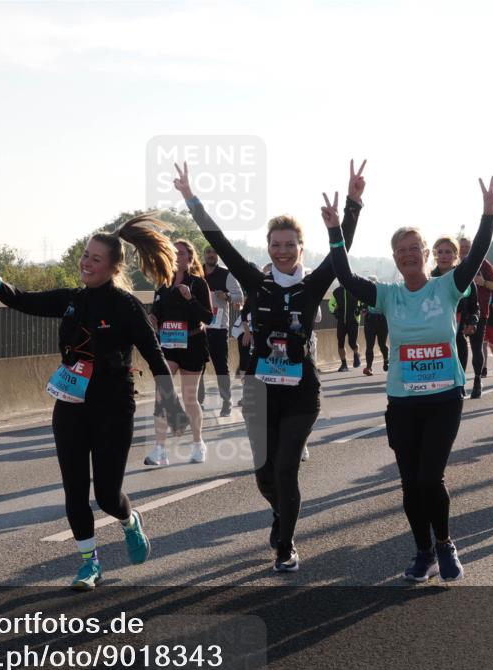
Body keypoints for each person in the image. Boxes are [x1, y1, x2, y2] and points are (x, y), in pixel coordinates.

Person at [0, 214, 188, 590]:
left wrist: (170, 405)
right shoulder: (71, 300)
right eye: (85, 256)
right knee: (74, 489)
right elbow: (22, 300)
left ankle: (129, 521)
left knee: (106, 495)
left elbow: (155, 357)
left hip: (114, 407)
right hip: (71, 404)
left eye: (95, 259)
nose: (86, 264)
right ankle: (90, 563)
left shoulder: (125, 306)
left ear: (113, 267)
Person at [175, 159, 365, 573]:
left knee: (285, 468)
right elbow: (220, 242)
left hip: (300, 392)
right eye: (275, 244)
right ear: (268, 247)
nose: (281, 251)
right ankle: (280, 514)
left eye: (289, 244)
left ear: (301, 247)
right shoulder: (255, 282)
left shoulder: (312, 284)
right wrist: (191, 199)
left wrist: (351, 207)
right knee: (264, 475)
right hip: (259, 390)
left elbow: (340, 253)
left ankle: (286, 545)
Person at [329, 175, 493, 583]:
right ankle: (422, 552)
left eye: (414, 249)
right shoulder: (388, 294)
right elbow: (346, 275)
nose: (408, 255)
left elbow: (475, 255)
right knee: (409, 483)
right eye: (400, 251)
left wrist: (488, 215)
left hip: (444, 397)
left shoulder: (447, 287)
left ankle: (444, 543)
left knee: (430, 477)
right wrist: (338, 227)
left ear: (426, 254)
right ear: (395, 257)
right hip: (403, 402)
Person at [146, 238, 213, 464]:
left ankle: (198, 444)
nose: (177, 256)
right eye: (173, 252)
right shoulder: (163, 283)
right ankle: (159, 449)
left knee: (189, 398)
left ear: (190, 259)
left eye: (181, 253)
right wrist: (153, 318)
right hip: (168, 345)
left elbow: (208, 317)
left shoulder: (199, 284)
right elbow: (156, 311)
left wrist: (190, 298)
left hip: (193, 343)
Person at [198, 246, 244, 416]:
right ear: (203, 255)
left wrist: (228, 297)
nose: (211, 254)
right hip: (199, 328)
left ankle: (226, 402)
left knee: (221, 368)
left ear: (218, 255)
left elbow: (240, 297)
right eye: (208, 252)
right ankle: (199, 403)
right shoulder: (197, 272)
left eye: (214, 252)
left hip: (218, 328)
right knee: (197, 368)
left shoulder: (226, 274)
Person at [430, 236, 479, 380]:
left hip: (458, 340)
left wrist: (472, 322)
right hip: (433, 341)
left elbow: (475, 308)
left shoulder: (465, 279)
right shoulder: (427, 280)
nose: (444, 256)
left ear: (455, 255)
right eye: (440, 252)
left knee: (457, 385)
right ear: (434, 255)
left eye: (448, 252)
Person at [459, 236, 493, 396]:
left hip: (479, 312)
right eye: (461, 246)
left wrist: (483, 282)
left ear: (472, 247)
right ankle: (460, 382)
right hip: (455, 315)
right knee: (458, 350)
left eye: (467, 246)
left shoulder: (483, 264)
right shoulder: (452, 264)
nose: (464, 249)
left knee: (477, 348)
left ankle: (477, 380)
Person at [361, 276, 389, 375]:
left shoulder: (383, 293)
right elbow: (362, 305)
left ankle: (386, 360)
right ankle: (369, 367)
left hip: (382, 320)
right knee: (369, 345)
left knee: (382, 345)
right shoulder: (364, 292)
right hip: (370, 321)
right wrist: (363, 310)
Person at [330, 283, 361, 371]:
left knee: (352, 343)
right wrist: (334, 312)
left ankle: (356, 354)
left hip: (353, 321)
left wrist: (360, 308)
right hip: (341, 322)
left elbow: (363, 301)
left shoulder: (355, 289)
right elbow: (330, 304)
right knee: (340, 344)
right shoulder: (336, 291)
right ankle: (344, 365)